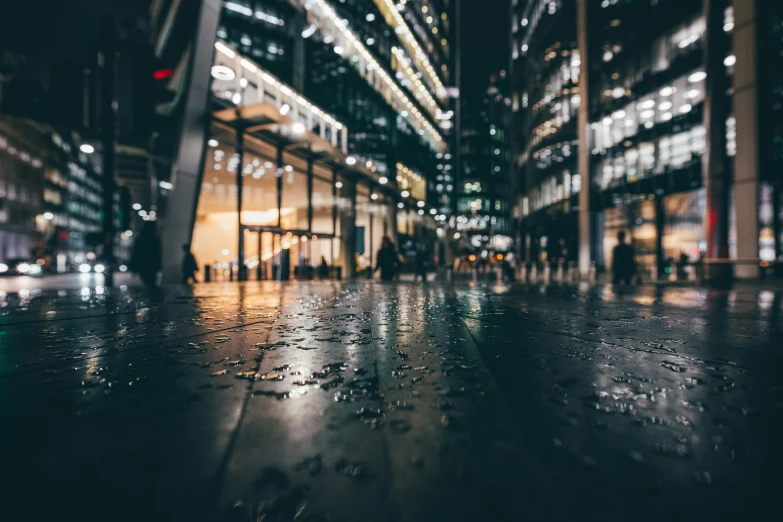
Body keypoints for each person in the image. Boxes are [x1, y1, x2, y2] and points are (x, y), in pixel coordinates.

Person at [130, 221, 162, 286]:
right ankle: (151, 294)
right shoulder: (155, 239)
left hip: (143, 264)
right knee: (151, 282)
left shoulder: (140, 238)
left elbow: (136, 253)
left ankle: (149, 294)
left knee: (147, 282)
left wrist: (134, 265)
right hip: (152, 264)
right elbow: (157, 254)